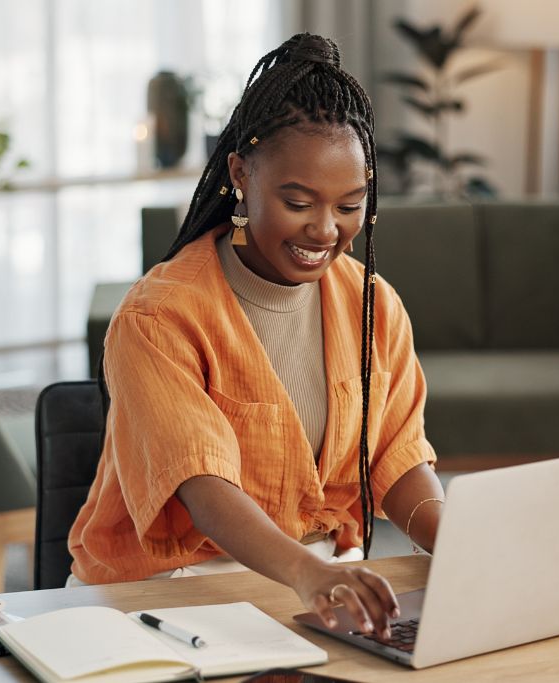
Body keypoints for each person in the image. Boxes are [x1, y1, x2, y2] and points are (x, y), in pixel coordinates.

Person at [68, 33, 444, 640]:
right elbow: (202, 485)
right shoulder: (158, 317)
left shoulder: (373, 302)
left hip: (317, 582)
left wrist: (452, 538)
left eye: (350, 205)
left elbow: (395, 458)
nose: (326, 230)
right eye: (298, 202)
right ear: (241, 173)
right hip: (168, 593)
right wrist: (306, 574)